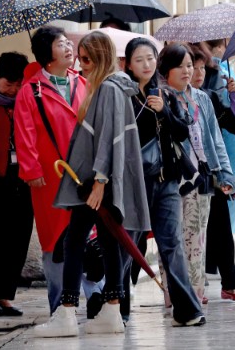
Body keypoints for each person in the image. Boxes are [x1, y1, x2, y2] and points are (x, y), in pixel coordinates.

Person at [34, 31, 151, 337]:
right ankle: (111, 308)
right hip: (104, 180)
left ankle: (68, 312)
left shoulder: (109, 88)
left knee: (75, 240)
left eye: (86, 59)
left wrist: (99, 181)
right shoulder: (110, 87)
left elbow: (108, 139)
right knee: (109, 242)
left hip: (99, 182)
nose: (81, 65)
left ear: (98, 58)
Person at [125, 38, 206, 326]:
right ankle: (118, 304)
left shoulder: (166, 95)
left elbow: (183, 133)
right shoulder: (124, 96)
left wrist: (164, 112)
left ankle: (187, 309)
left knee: (172, 244)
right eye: (139, 60)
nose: (146, 65)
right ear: (128, 64)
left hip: (167, 181)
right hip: (137, 183)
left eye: (150, 58)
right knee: (131, 245)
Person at [158, 43, 235, 306]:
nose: (187, 71)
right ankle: (173, 293)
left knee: (197, 239)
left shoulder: (201, 98)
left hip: (200, 178)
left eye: (189, 65)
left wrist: (226, 174)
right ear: (165, 70)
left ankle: (194, 293)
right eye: (179, 66)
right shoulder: (158, 99)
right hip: (169, 179)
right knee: (171, 239)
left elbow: (215, 141)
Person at [14, 26, 87, 314]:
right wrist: (31, 170)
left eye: (69, 42)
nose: (69, 47)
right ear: (47, 55)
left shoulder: (82, 83)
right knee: (55, 240)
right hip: (50, 178)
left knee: (88, 236)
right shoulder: (30, 91)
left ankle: (94, 299)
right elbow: (25, 133)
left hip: (84, 176)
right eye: (60, 44)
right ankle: (60, 305)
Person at [188, 46, 235, 302]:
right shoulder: (168, 98)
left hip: (212, 171)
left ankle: (229, 284)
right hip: (187, 174)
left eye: (201, 68)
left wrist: (233, 97)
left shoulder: (209, 97)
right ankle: (193, 287)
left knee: (222, 228)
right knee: (193, 232)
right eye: (193, 67)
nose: (198, 73)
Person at [0, 52, 32, 317]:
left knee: (17, 237)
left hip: (21, 178)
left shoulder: (27, 102)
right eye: (8, 84)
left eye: (19, 84)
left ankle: (5, 295)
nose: (14, 89)